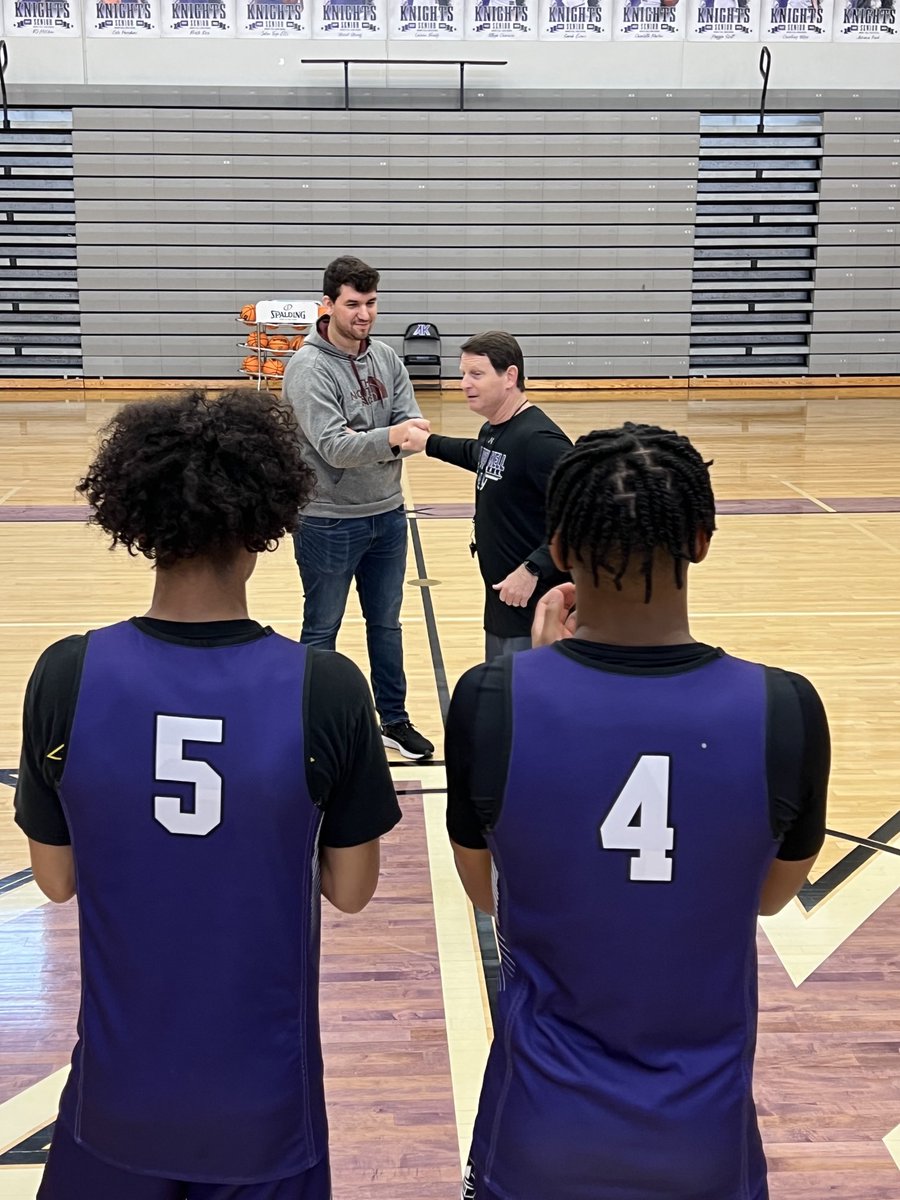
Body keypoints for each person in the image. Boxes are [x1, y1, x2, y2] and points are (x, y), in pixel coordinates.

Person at [14, 388, 402, 1200]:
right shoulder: (325, 687)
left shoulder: (68, 673)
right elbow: (352, 890)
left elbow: (55, 879)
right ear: (264, 525)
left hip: (117, 1096)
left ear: (140, 522)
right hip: (264, 1106)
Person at [445, 422, 830, 1200]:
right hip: (702, 1139)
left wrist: (543, 672)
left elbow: (488, 892)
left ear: (558, 548)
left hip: (539, 1134)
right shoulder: (785, 710)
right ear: (702, 540)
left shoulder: (491, 702)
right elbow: (764, 897)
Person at [283, 255, 434, 760]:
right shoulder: (308, 368)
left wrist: (378, 436)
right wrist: (390, 436)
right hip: (327, 520)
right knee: (322, 627)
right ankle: (311, 726)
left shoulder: (386, 358)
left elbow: (414, 426)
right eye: (352, 304)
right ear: (327, 305)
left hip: (389, 514)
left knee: (386, 625)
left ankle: (393, 719)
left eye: (371, 303)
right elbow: (334, 447)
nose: (364, 314)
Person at [401, 331, 572, 660]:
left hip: (535, 612)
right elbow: (481, 455)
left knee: (523, 690)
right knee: (499, 689)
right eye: (463, 374)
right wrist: (429, 443)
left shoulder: (540, 441)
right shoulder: (496, 429)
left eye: (476, 374)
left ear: (510, 376)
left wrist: (533, 568)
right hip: (502, 607)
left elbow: (584, 518)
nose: (464, 383)